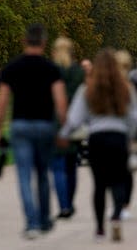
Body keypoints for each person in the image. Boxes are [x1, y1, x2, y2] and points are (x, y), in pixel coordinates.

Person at [0, 23, 67, 239]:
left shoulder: (12, 68)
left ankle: (32, 223)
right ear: (44, 43)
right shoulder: (51, 69)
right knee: (43, 174)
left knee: (24, 176)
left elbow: (2, 102)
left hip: (21, 125)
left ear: (24, 41)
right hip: (45, 125)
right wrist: (62, 129)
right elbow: (61, 103)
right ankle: (44, 219)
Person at [59, 49, 137, 242]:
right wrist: (130, 137)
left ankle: (100, 229)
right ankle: (117, 217)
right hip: (118, 137)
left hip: (97, 139)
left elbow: (75, 119)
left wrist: (63, 134)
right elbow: (134, 117)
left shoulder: (88, 89)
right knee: (119, 180)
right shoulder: (125, 88)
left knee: (100, 185)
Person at [50, 37, 85, 220]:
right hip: (75, 120)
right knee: (71, 165)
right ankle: (70, 202)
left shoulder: (54, 70)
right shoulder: (79, 71)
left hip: (56, 121)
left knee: (58, 167)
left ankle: (64, 205)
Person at [115, 50, 137, 221]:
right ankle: (125, 205)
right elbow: (135, 113)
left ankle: (118, 204)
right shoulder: (133, 84)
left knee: (114, 170)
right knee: (126, 171)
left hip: (112, 130)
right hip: (128, 131)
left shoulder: (106, 84)